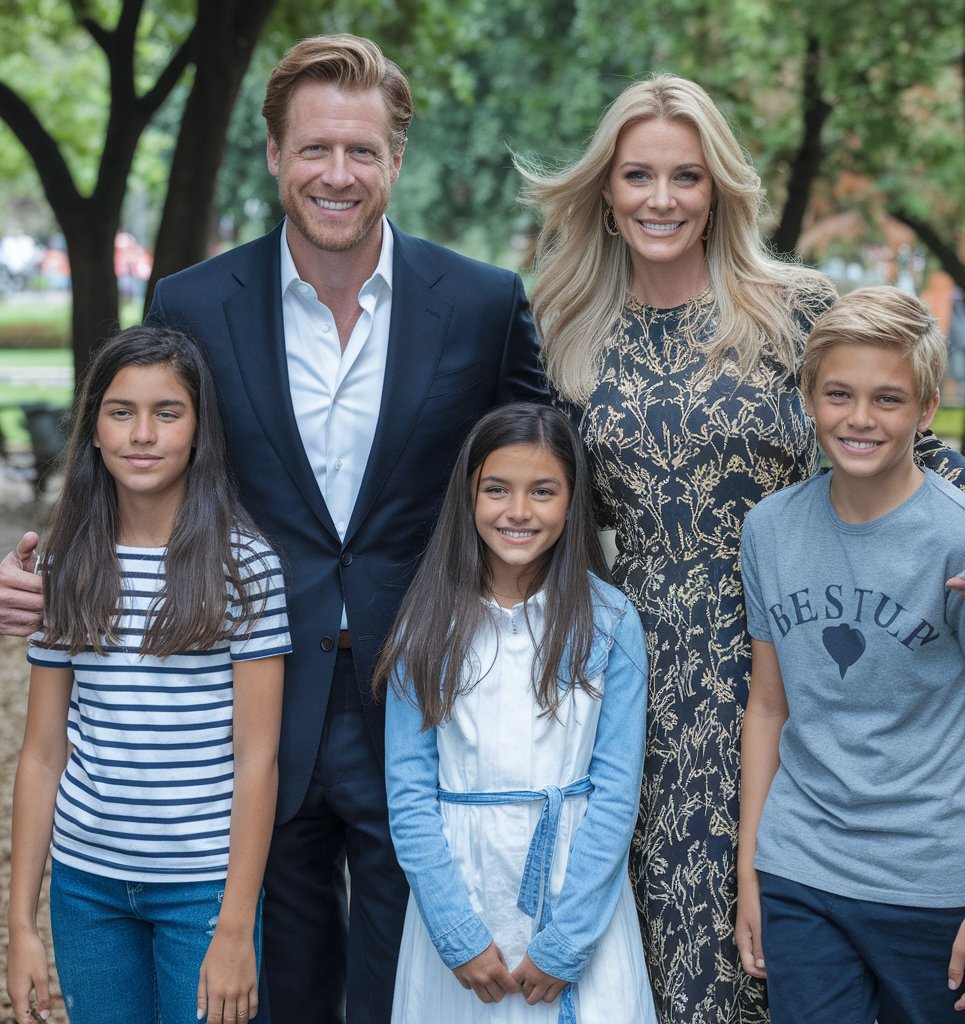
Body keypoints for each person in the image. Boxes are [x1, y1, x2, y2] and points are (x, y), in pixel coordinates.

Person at [0, 33, 547, 1024]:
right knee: (273, 980)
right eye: (314, 149)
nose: (337, 174)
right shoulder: (193, 303)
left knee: (403, 980)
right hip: (243, 701)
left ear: (396, 158)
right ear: (273, 155)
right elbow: (136, 449)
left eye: (361, 151)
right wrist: (44, 565)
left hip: (421, 688)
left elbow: (552, 469)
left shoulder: (482, 304)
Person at [516, 74, 965, 1023]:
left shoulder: (789, 308)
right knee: (678, 932)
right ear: (606, 190)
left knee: (802, 942)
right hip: (645, 665)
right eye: (638, 176)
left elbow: (900, 435)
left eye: (686, 177)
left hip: (803, 654)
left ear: (719, 191)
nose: (661, 199)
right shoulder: (562, 324)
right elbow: (533, 495)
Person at [736, 287, 965, 1022]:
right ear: (808, 397)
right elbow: (768, 707)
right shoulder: (771, 529)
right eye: (838, 394)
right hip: (802, 869)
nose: (859, 419)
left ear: (926, 410)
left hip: (929, 882)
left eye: (888, 400)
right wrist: (751, 876)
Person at [5, 325, 290, 1024]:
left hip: (201, 889)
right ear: (94, 430)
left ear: (199, 431)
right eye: (120, 411)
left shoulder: (244, 566)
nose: (142, 433)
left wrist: (232, 929)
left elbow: (258, 761)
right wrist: (21, 926)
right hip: (86, 888)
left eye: (168, 412)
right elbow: (42, 754)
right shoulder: (66, 563)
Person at [376, 403, 656, 1023]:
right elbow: (410, 794)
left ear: (572, 499)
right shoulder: (425, 625)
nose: (519, 511)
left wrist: (567, 941)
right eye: (497, 489)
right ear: (468, 496)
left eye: (543, 491)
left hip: (576, 895)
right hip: (462, 893)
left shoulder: (608, 623)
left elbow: (615, 793)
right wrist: (457, 933)